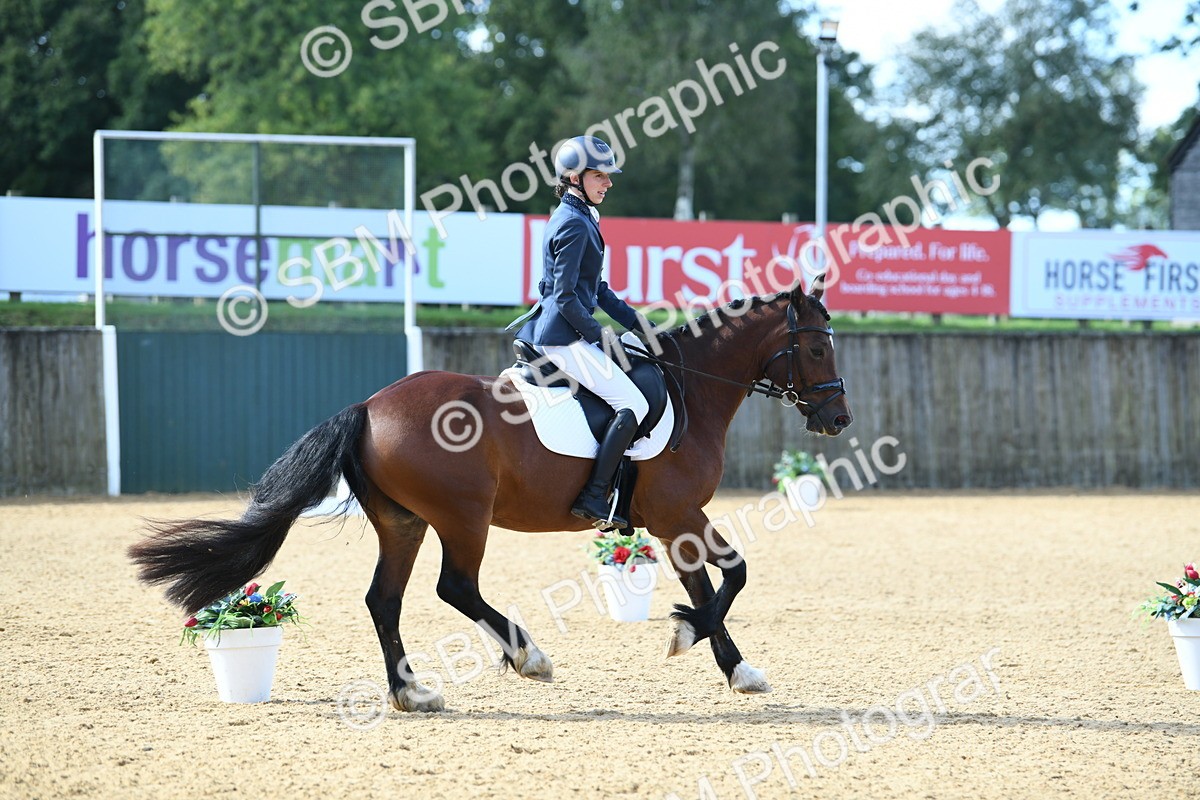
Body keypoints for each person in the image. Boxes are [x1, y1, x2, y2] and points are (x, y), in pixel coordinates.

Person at [512, 135, 653, 529]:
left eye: (608, 176)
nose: (608, 183)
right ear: (574, 177)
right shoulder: (574, 223)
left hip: (565, 330)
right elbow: (566, 297)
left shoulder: (581, 216)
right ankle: (594, 496)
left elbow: (599, 290)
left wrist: (640, 325)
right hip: (561, 337)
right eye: (600, 176)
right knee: (634, 404)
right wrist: (601, 336)